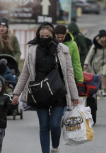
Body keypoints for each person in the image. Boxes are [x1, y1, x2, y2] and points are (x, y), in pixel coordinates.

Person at [12, 22, 79, 153]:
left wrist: (75, 96)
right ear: (38, 35)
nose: (44, 38)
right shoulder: (32, 50)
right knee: (43, 125)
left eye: (47, 35)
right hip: (39, 92)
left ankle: (55, 146)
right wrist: (16, 93)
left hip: (58, 92)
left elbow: (69, 74)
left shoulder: (62, 49)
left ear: (53, 35)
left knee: (55, 125)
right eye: (41, 35)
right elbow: (25, 73)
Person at [83, 30, 106, 96]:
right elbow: (90, 54)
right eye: (102, 37)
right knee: (98, 77)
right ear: (99, 38)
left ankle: (104, 90)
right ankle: (97, 90)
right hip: (97, 63)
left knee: (104, 75)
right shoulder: (95, 45)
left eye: (105, 37)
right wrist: (86, 63)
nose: (104, 39)